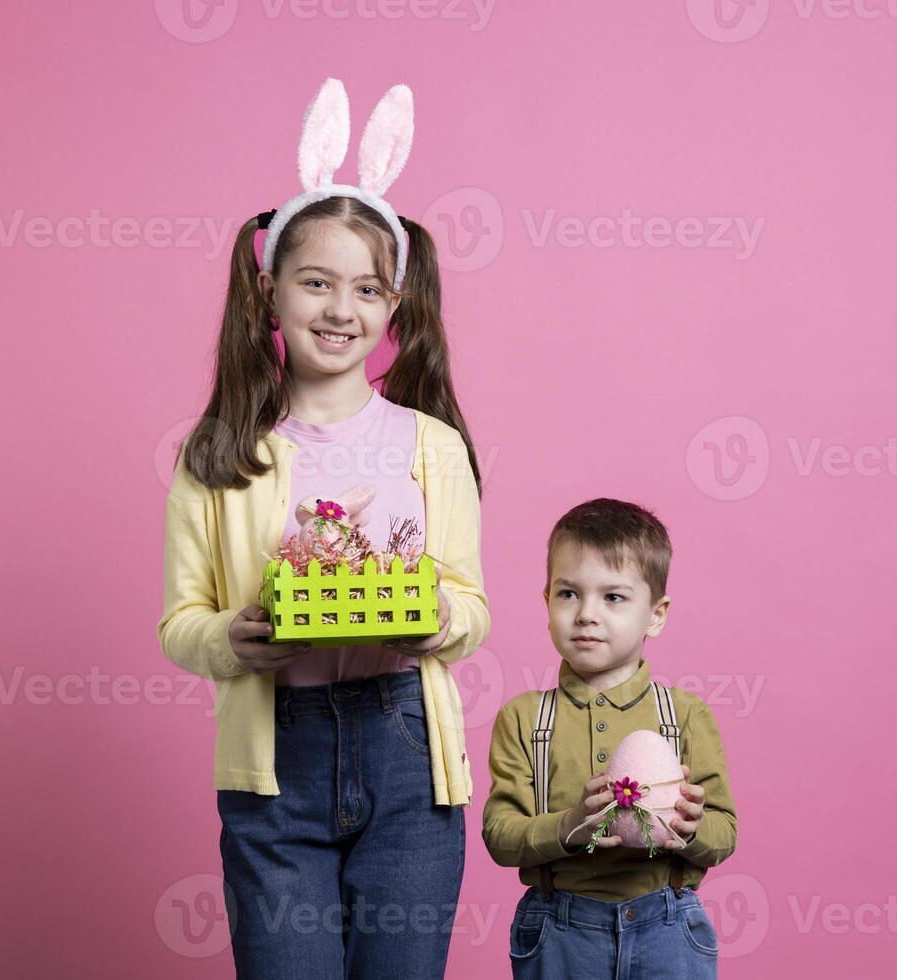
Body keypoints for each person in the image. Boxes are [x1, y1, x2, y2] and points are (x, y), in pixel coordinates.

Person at [158, 78, 489, 979]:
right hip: (275, 764)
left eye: (367, 290)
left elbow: (469, 601)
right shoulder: (222, 451)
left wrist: (438, 623)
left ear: (396, 308)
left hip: (408, 759)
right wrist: (231, 638)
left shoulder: (432, 447)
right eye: (316, 283)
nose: (341, 310)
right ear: (270, 292)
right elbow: (179, 620)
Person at [482, 498, 737, 978]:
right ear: (547, 602)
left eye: (613, 597)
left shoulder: (685, 715)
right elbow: (499, 835)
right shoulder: (523, 717)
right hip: (560, 931)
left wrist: (690, 830)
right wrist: (571, 825)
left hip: (666, 925)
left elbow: (725, 832)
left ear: (655, 615)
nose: (586, 615)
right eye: (568, 594)